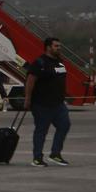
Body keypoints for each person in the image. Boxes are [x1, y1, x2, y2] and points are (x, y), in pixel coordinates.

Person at [25, 37, 72, 167]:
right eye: (56, 46)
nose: (59, 48)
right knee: (41, 130)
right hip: (41, 104)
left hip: (58, 104)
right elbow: (30, 81)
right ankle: (37, 158)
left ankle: (55, 154)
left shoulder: (60, 62)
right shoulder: (39, 63)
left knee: (64, 125)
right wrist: (28, 99)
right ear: (48, 47)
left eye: (59, 46)